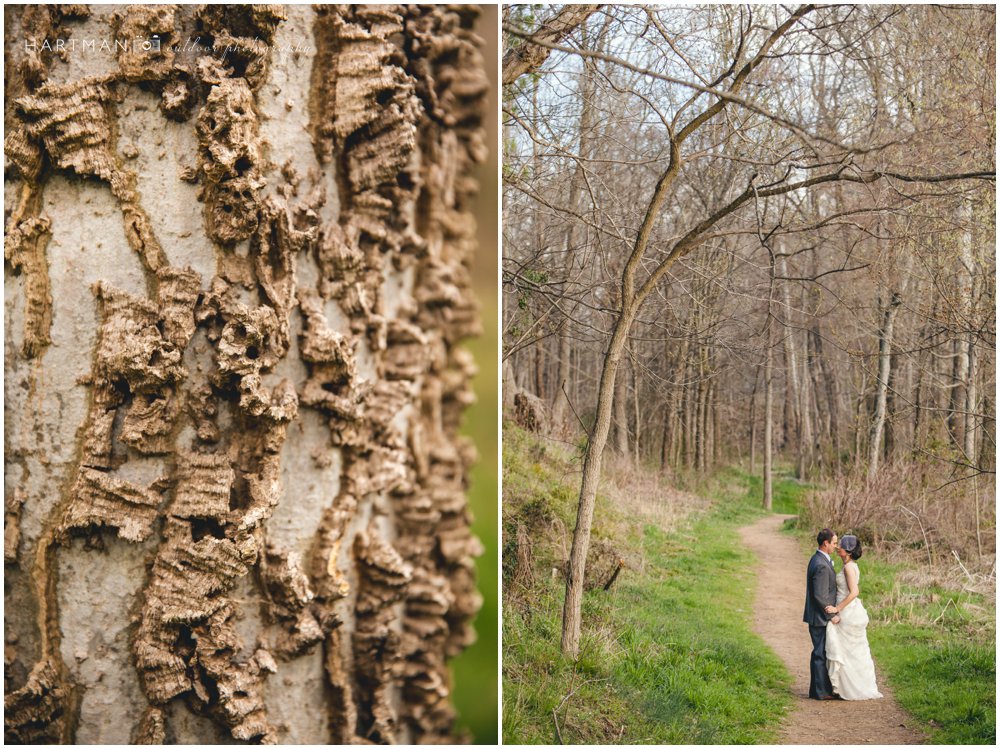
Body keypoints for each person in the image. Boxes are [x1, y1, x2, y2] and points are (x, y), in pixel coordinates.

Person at [823, 535, 883, 700]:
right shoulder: (849, 565)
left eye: (840, 546)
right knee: (851, 651)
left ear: (848, 551)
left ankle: (850, 687)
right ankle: (846, 686)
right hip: (850, 611)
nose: (837, 548)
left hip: (848, 612)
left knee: (847, 650)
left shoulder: (849, 568)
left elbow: (854, 592)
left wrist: (837, 608)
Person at [803, 528, 840, 700]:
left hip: (817, 616)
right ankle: (820, 692)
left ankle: (817, 690)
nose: (835, 546)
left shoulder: (817, 559)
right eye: (834, 543)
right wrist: (831, 615)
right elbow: (819, 595)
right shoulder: (821, 565)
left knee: (820, 652)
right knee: (819, 654)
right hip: (819, 618)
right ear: (825, 543)